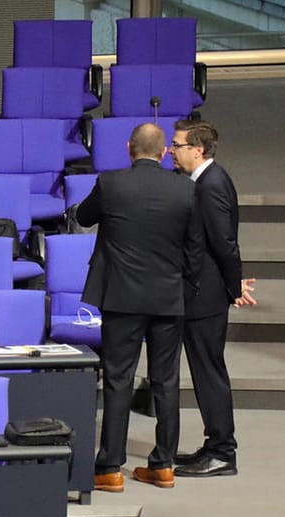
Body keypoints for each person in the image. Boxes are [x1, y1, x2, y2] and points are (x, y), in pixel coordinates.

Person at [73, 122, 203, 492]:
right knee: (166, 381)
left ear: (130, 148)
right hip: (167, 298)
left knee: (118, 379)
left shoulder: (111, 183)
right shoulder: (185, 188)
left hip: (122, 298)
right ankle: (163, 465)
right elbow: (195, 249)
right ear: (164, 153)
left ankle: (110, 468)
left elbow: (83, 217)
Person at [171, 117, 255, 479]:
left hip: (204, 298)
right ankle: (213, 444)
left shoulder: (211, 186)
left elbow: (224, 244)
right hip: (201, 293)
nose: (171, 151)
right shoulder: (200, 181)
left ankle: (223, 451)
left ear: (198, 149)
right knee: (205, 371)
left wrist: (233, 287)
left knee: (209, 373)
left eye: (177, 145)